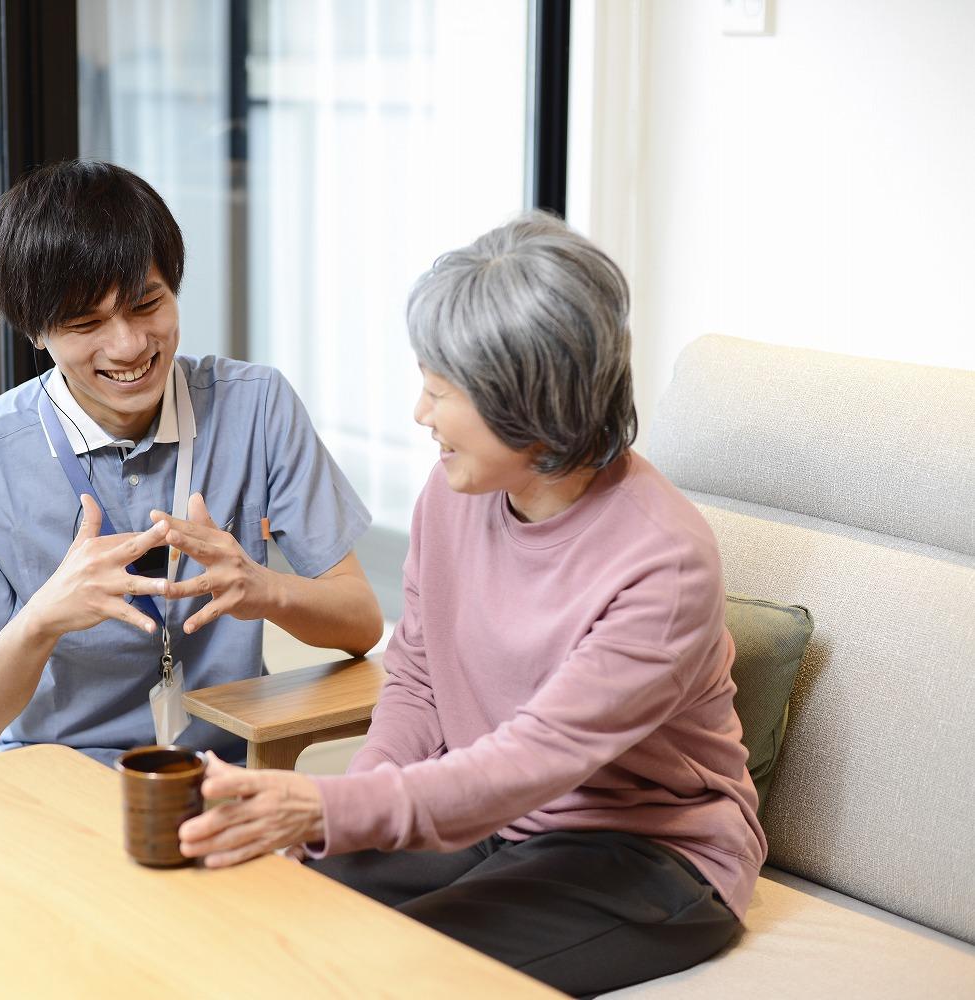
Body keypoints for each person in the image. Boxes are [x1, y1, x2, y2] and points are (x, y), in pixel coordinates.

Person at [177, 212, 767, 997]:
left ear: (529, 406)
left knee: (395, 973)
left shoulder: (663, 563)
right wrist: (352, 805)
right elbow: (417, 674)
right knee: (265, 906)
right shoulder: (456, 489)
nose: (421, 416)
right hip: (494, 819)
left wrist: (326, 806)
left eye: (438, 391)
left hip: (645, 856)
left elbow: (531, 764)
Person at [0, 160, 382, 765]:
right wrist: (42, 619)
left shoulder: (256, 407)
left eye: (147, 304)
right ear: (37, 333)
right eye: (85, 323)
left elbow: (361, 624)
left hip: (218, 773)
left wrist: (265, 590)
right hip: (52, 779)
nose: (128, 345)